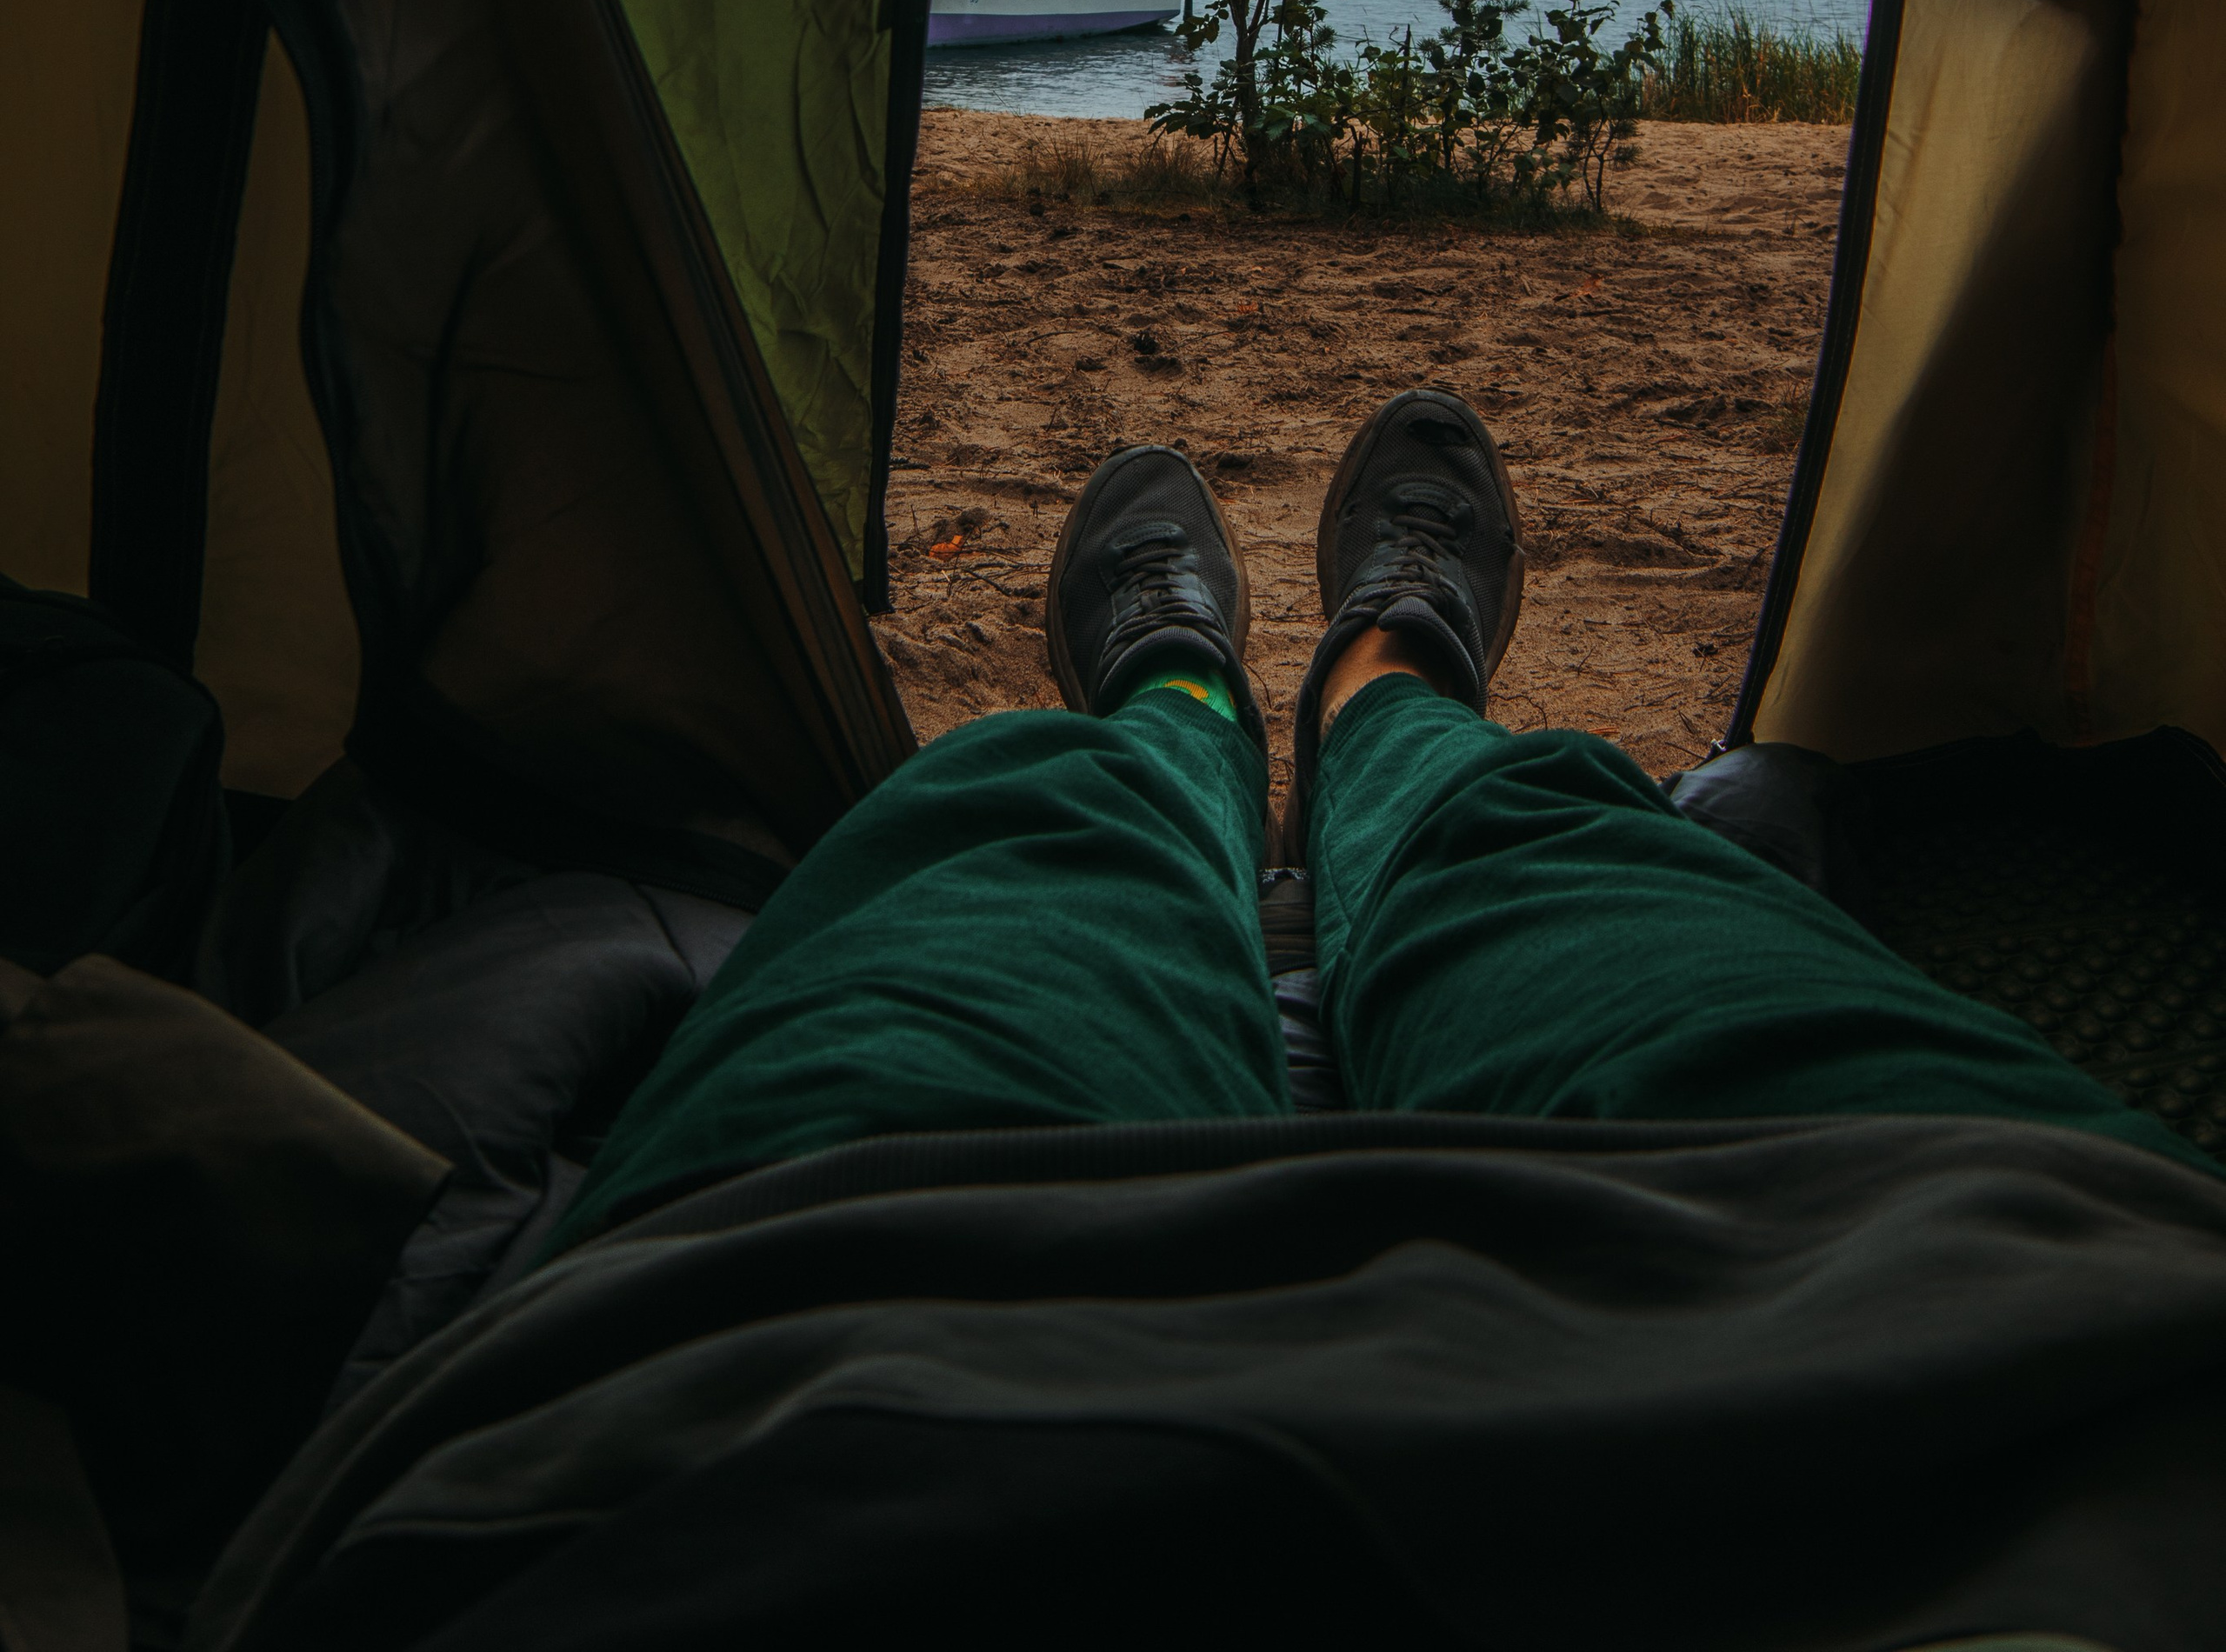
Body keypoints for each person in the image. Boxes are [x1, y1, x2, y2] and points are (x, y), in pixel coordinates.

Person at [203, 396, 2226, 1650]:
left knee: (1013, 818)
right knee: (1551, 848)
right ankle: (1384, 677)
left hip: (776, 1388)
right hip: (1987, 1339)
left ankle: (1170, 698)